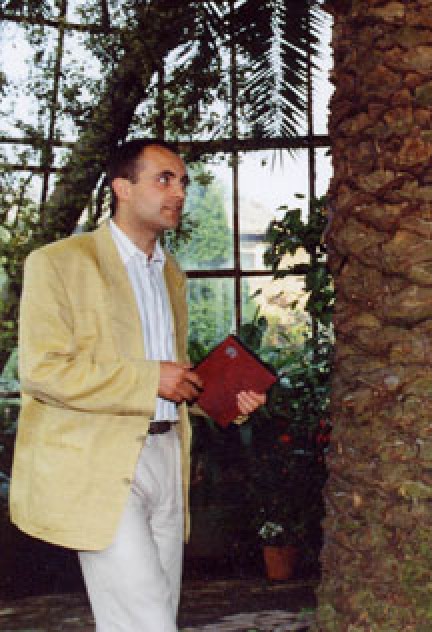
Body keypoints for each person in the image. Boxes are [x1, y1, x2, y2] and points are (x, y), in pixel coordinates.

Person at [9, 138, 266, 632]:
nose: (179, 193)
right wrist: (152, 379)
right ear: (121, 188)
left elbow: (172, 379)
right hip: (98, 461)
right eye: (164, 179)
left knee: (154, 611)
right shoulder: (59, 262)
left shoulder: (170, 272)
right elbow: (42, 370)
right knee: (146, 619)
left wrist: (220, 400)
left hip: (167, 456)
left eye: (183, 182)